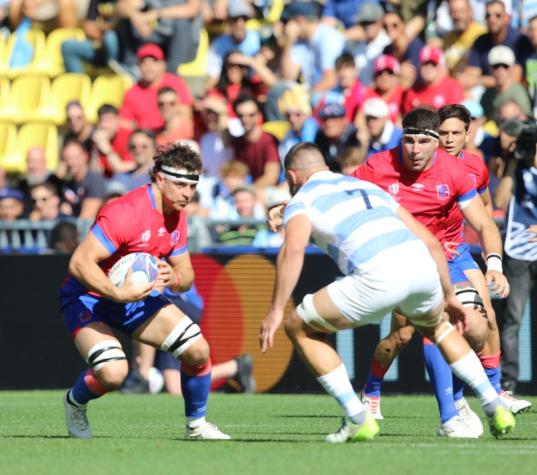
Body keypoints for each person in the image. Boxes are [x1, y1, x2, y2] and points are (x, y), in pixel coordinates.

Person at [259, 141, 515, 443]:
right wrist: (448, 294)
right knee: (439, 328)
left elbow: (293, 249)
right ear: (325, 166)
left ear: (291, 176)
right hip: (422, 267)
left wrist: (275, 310)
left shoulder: (302, 199)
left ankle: (357, 418)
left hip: (378, 275)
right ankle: (494, 403)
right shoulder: (367, 188)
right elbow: (431, 243)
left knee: (298, 328)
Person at [353, 109, 530, 434]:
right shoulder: (378, 167)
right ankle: (376, 388)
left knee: (483, 319)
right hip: (404, 258)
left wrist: (493, 264)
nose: (416, 148)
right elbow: (339, 191)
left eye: (426, 140)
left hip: (452, 253)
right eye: (410, 140)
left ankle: (490, 394)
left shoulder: (465, 169)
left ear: (465, 134)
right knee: (403, 335)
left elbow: (484, 217)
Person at [59, 142, 231, 440]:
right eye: (180, 184)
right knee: (113, 373)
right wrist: (116, 293)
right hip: (89, 297)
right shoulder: (124, 212)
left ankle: (196, 426)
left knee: (198, 350)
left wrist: (174, 278)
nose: (187, 193)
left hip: (134, 298)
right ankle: (74, 402)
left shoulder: (177, 215)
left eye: (192, 185)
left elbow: (187, 274)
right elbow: (80, 262)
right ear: (159, 179)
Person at [494, 120, 537, 395]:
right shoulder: (515, 168)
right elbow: (499, 201)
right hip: (518, 252)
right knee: (513, 320)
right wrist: (511, 164)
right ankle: (508, 382)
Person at [119, 43, 193, 132]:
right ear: (138, 66)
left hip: (173, 136)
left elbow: (185, 115)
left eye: (154, 62)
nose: (148, 67)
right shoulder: (132, 92)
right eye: (144, 62)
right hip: (147, 139)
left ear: (163, 65)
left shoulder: (175, 83)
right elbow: (124, 122)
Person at [230, 95, 281, 188]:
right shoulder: (238, 143)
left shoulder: (268, 141)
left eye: (251, 115)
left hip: (267, 192)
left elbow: (271, 177)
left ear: (259, 115)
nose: (245, 119)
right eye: (241, 115)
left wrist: (248, 192)